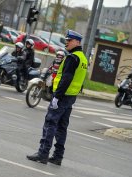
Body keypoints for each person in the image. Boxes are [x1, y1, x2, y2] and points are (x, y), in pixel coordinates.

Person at [26, 30, 88, 165]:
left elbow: (66, 79)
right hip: (71, 97)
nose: (66, 43)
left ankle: (43, 154)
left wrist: (56, 97)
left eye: (69, 41)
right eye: (66, 40)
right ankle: (58, 156)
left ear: (77, 42)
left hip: (63, 96)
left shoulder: (72, 58)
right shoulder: (82, 58)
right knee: (62, 126)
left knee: (50, 123)